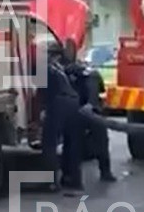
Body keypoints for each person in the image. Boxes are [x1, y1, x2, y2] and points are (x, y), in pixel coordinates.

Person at [65, 40, 116, 182]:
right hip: (91, 111)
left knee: (75, 145)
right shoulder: (88, 72)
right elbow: (100, 90)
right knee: (99, 142)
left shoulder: (65, 71)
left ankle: (72, 178)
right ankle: (104, 172)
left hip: (79, 111)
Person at [41, 40, 84, 191]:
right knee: (72, 143)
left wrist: (44, 110)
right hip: (73, 102)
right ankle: (74, 180)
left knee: (49, 143)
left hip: (59, 103)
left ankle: (51, 182)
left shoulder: (46, 69)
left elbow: (43, 91)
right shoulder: (60, 69)